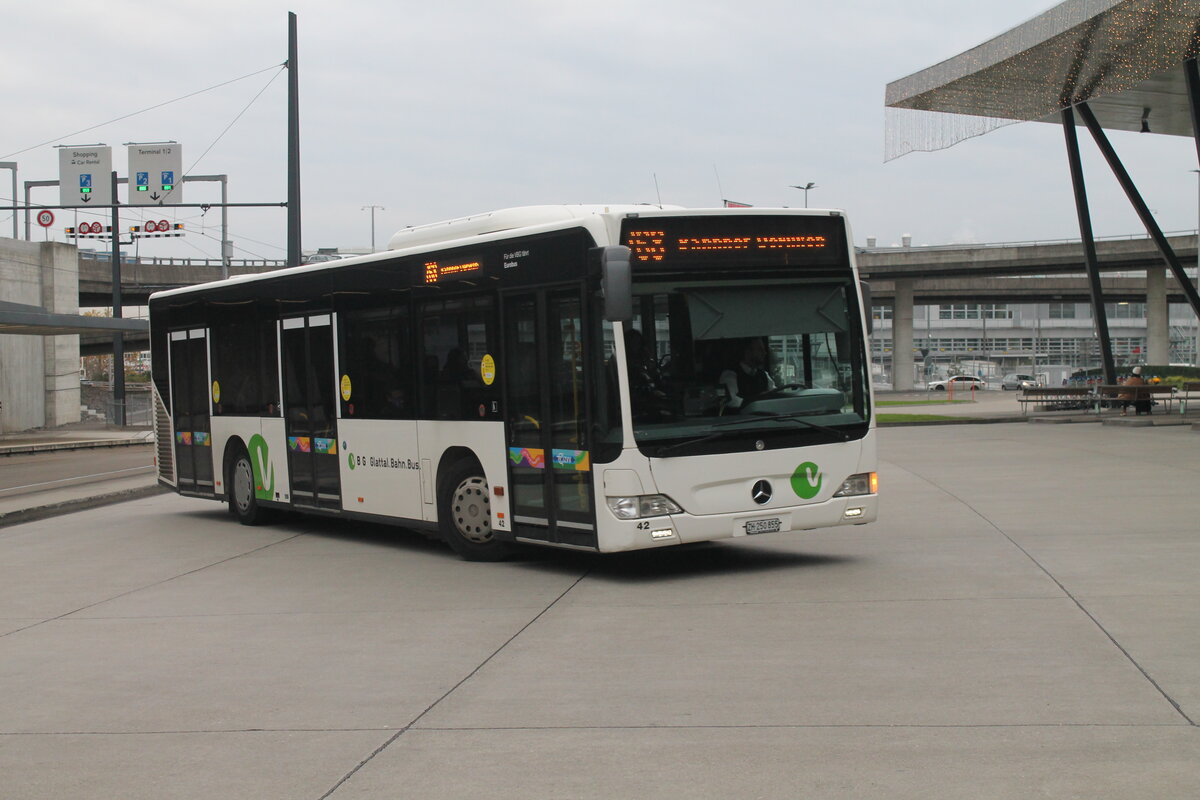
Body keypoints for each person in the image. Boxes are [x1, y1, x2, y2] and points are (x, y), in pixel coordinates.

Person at [719, 337, 776, 411]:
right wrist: (758, 400)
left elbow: (775, 394)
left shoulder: (764, 375)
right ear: (748, 352)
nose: (764, 353)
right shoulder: (730, 375)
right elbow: (731, 401)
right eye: (760, 349)